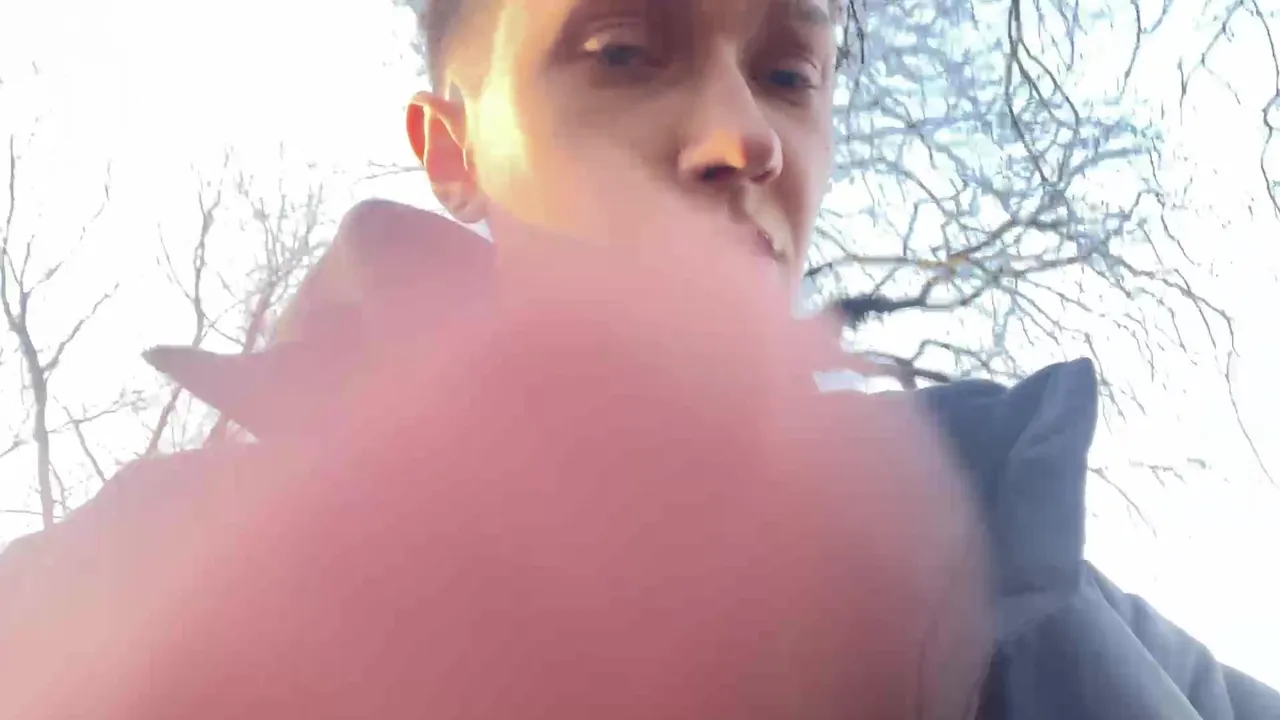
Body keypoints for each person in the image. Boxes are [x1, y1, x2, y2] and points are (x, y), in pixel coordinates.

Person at [0, 1, 1275, 719]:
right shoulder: (140, 584)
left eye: (788, 73)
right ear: (450, 149)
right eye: (620, 52)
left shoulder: (1039, 584)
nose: (740, 136)